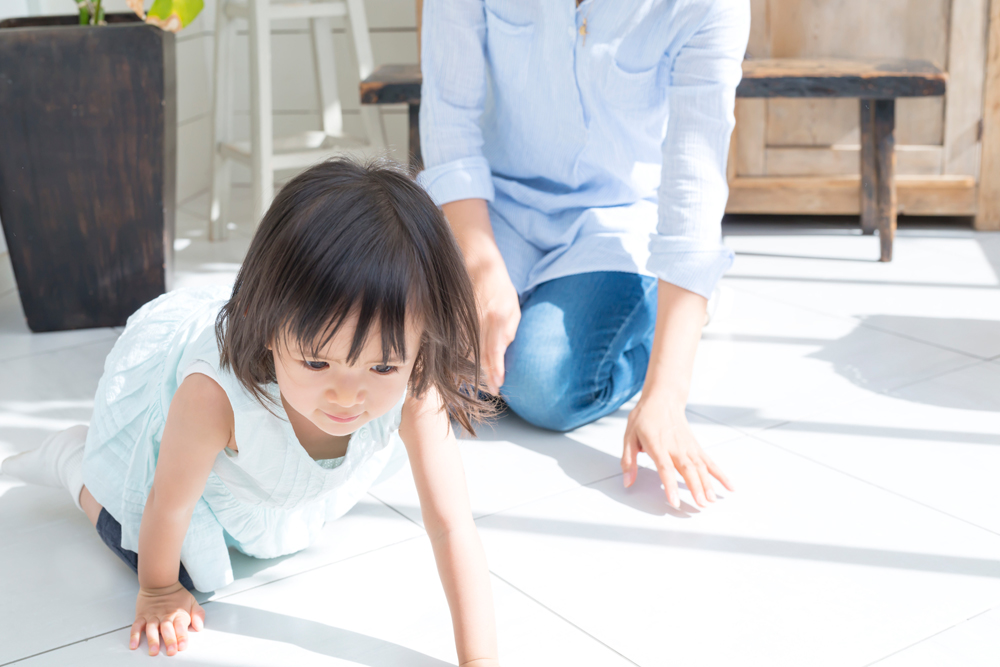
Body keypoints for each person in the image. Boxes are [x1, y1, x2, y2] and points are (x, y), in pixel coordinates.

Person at [2, 159, 500, 665]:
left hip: (261, 476)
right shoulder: (211, 397)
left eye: (381, 368)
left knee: (277, 532)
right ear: (265, 326)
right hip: (175, 456)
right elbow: (168, 506)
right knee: (179, 567)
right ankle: (73, 460)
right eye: (317, 361)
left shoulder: (416, 383)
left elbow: (452, 526)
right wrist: (157, 590)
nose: (348, 396)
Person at [418, 0, 748, 509]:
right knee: (437, 358)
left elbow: (694, 185)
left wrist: (665, 392)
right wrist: (481, 266)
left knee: (540, 382)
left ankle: (677, 303)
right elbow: (449, 120)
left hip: (618, 220)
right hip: (495, 207)